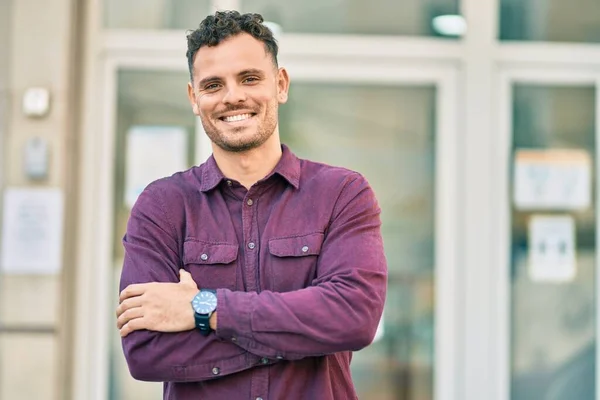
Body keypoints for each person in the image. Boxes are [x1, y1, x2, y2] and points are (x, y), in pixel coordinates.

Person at [116, 10, 387, 400]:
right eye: (213, 84)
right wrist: (297, 336)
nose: (233, 97)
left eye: (249, 78)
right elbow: (145, 352)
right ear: (195, 99)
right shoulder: (162, 207)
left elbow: (355, 318)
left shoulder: (342, 194)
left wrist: (202, 308)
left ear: (280, 84)